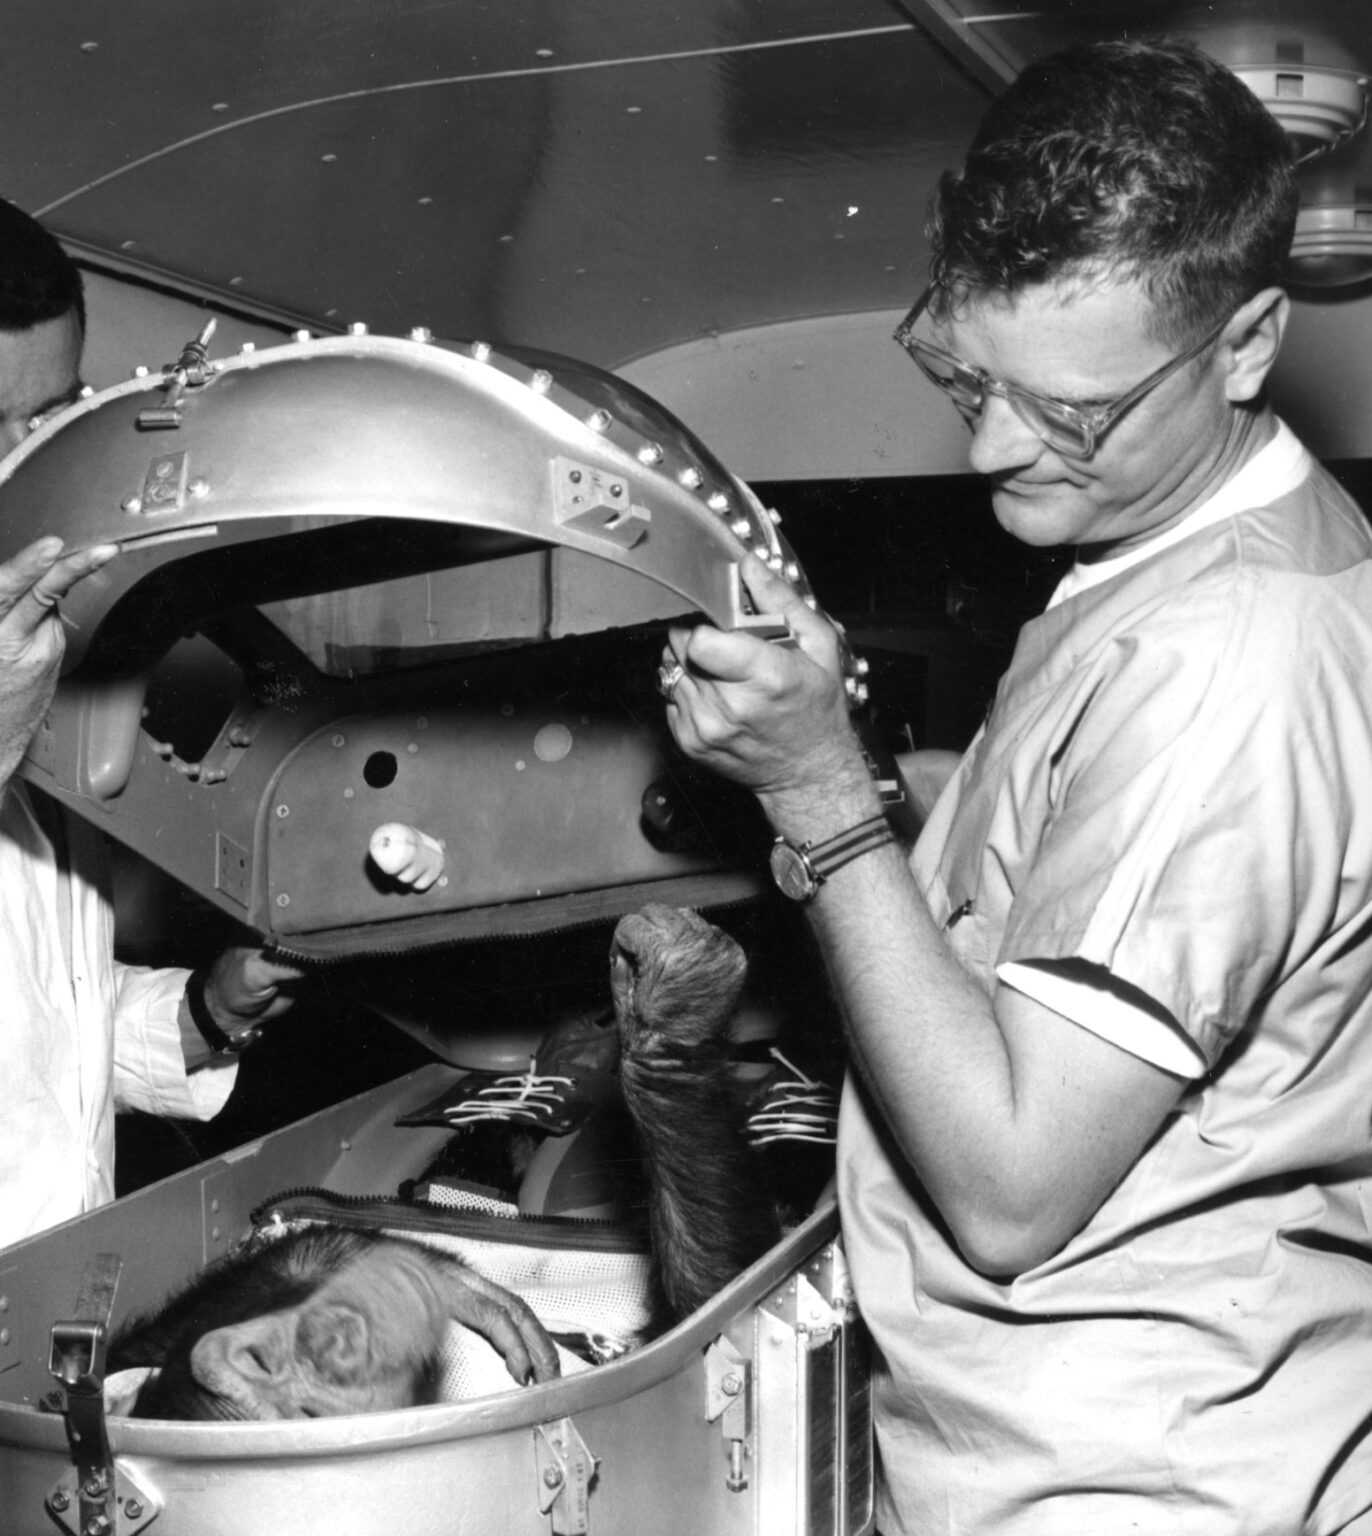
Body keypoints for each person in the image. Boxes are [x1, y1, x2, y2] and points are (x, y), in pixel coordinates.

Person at [660, 37, 1372, 1536]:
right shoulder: (1160, 554)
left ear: (1247, 343)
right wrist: (877, 772)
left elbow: (1008, 1190)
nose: (992, 447)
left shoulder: (1229, 655)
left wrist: (818, 795)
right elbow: (1052, 867)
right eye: (963, 373)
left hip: (1125, 1478)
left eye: (1071, 412)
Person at [0, 198, 303, 1249]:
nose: (16, 466)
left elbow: (44, 1011)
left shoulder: (47, 647)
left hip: (54, 1284)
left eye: (46, 419)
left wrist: (202, 1016)